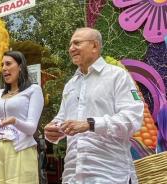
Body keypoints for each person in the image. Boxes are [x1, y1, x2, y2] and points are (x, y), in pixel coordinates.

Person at [44, 27, 144, 184]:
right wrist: (54, 129)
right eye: (70, 45)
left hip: (109, 174)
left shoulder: (117, 76)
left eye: (77, 43)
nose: (71, 49)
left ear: (95, 46)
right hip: (72, 175)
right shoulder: (70, 84)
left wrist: (90, 124)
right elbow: (62, 118)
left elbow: (132, 119)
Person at [0, 51, 44, 184]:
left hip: (21, 149)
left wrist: (14, 121)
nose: (4, 68)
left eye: (8, 64)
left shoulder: (33, 90)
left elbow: (31, 128)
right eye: (2, 65)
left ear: (20, 66)